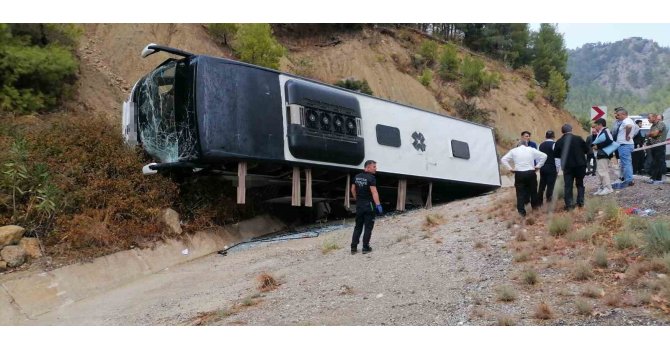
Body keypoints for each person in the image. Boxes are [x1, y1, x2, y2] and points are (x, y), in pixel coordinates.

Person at [500, 140, 547, 217]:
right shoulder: (531, 149)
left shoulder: (513, 151)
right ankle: (535, 209)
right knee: (533, 192)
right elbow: (544, 156)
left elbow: (503, 159)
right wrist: (538, 166)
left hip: (519, 173)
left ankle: (522, 212)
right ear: (526, 145)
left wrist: (510, 168)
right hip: (530, 172)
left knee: (520, 193)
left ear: (518, 145)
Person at [553, 124, 589, 210]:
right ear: (571, 129)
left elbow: (556, 154)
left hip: (567, 166)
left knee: (568, 185)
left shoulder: (559, 141)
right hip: (580, 165)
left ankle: (569, 205)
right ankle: (580, 202)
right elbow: (587, 150)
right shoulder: (579, 138)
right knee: (580, 183)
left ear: (562, 132)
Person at [350, 160, 383, 254]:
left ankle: (353, 247)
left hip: (359, 206)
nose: (376, 168)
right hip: (369, 206)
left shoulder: (356, 177)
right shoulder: (371, 178)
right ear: (367, 167)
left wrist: (357, 199)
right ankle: (365, 247)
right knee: (368, 227)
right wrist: (378, 205)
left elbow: (352, 189)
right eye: (374, 167)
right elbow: (374, 192)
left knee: (358, 227)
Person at [611, 108, 638, 189]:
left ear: (623, 114)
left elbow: (629, 127)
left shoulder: (627, 120)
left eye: (618, 115)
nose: (617, 116)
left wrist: (627, 136)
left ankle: (629, 180)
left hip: (624, 145)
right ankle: (627, 179)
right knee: (625, 163)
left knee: (626, 163)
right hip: (625, 144)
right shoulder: (628, 120)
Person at [591, 118, 616, 196]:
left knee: (603, 171)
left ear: (600, 125)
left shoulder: (606, 131)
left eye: (596, 125)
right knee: (600, 171)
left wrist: (598, 146)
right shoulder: (602, 132)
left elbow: (610, 141)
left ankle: (608, 188)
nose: (595, 127)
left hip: (604, 154)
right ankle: (601, 187)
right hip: (601, 154)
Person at [538, 130, 560, 206]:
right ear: (554, 137)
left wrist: (539, 166)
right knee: (550, 186)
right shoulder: (555, 144)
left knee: (542, 185)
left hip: (543, 167)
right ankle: (548, 202)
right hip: (551, 167)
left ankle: (539, 203)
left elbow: (538, 157)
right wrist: (557, 169)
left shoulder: (540, 145)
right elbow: (557, 158)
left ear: (545, 136)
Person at [646, 113, 668, 185]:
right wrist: (651, 134)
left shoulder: (660, 123)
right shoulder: (653, 126)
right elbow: (651, 135)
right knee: (656, 162)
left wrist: (650, 134)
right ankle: (657, 179)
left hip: (659, 145)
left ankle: (653, 178)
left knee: (658, 162)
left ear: (654, 117)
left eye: (649, 118)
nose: (648, 119)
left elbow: (654, 134)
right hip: (654, 146)